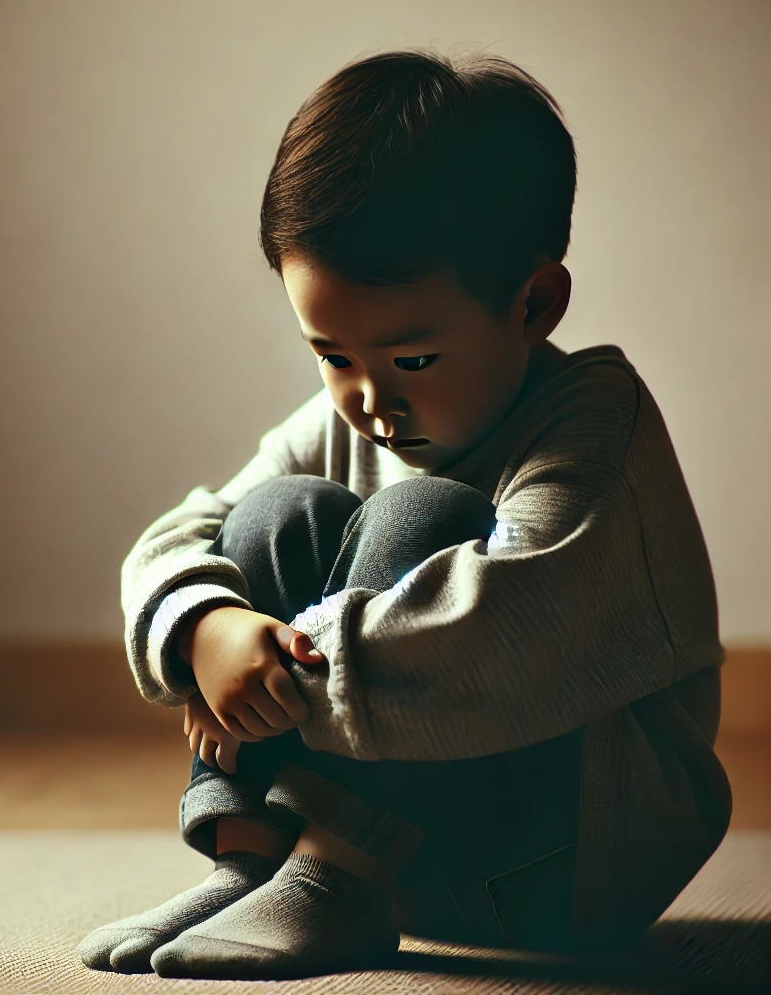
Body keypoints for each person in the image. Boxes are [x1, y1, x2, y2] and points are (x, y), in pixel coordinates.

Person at [77, 48, 732, 981]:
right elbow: (186, 532)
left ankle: (335, 877)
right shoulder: (355, 414)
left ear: (535, 304)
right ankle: (252, 862)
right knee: (275, 516)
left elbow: (508, 626)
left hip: (567, 858)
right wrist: (209, 627)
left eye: (411, 361)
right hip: (422, 851)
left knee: (425, 520)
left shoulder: (596, 425)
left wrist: (282, 670)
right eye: (331, 356)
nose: (369, 400)